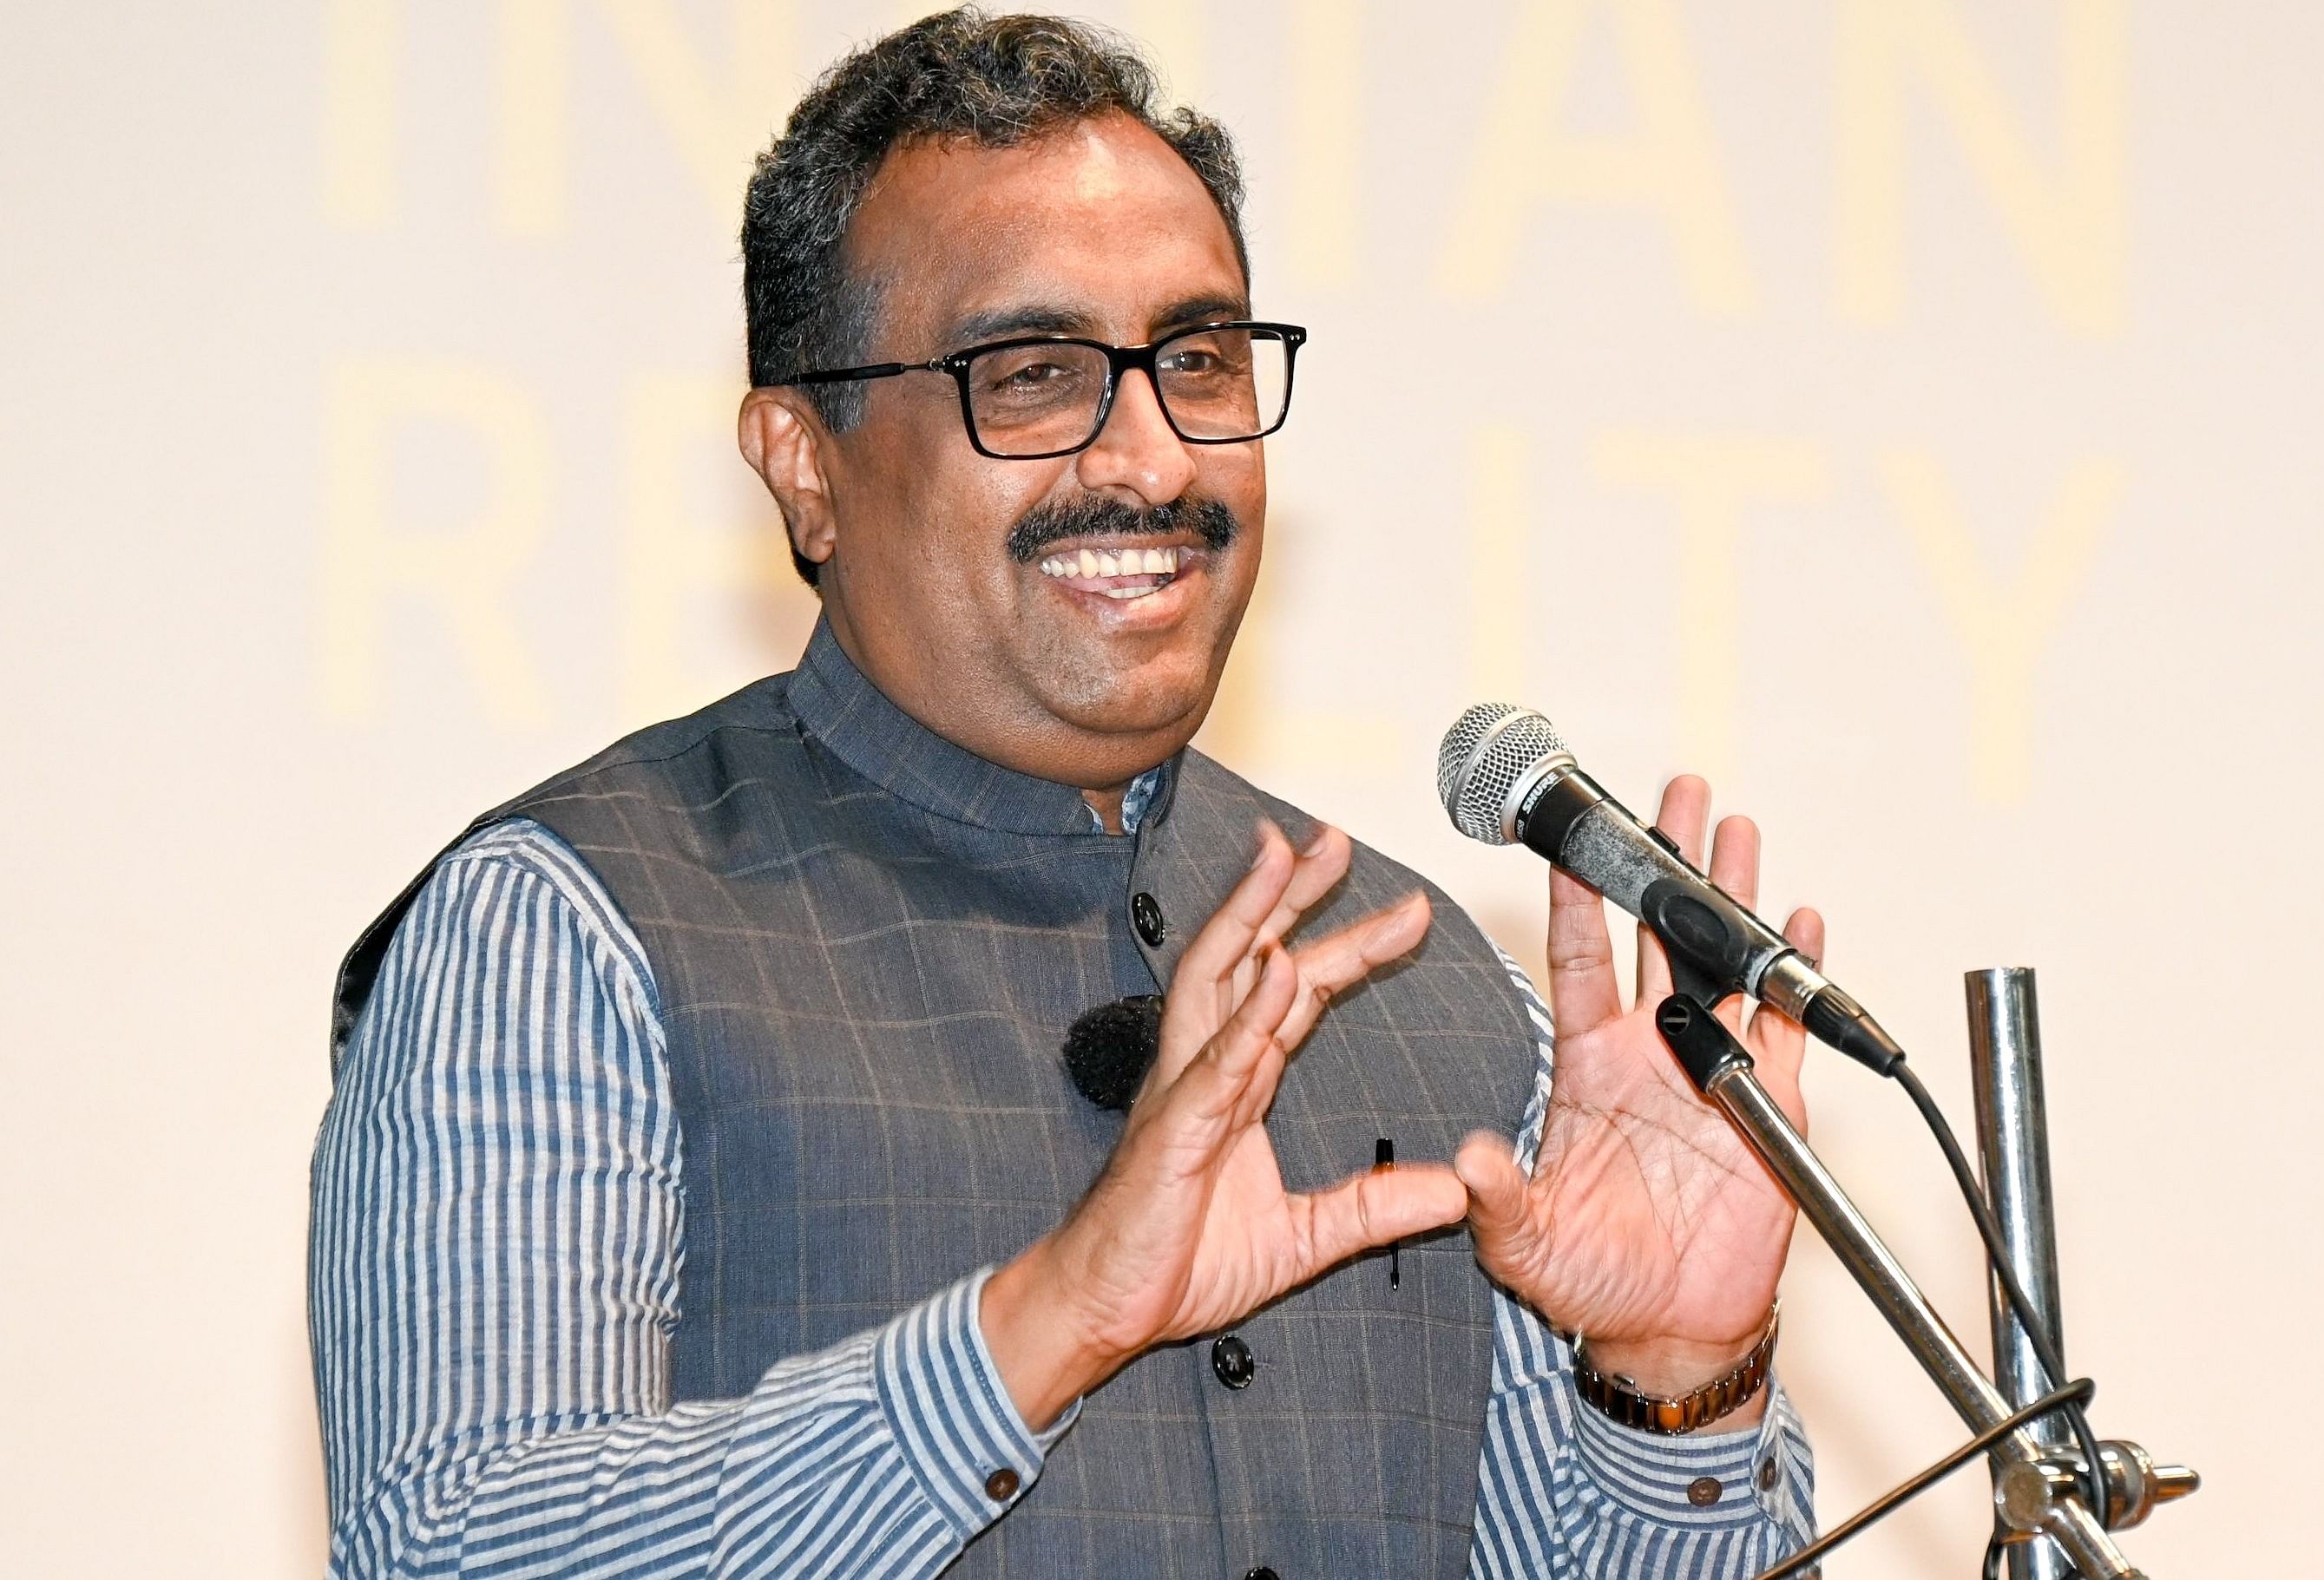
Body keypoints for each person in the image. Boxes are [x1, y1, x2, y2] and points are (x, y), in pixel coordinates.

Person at [310, 10, 1829, 1577]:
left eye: (1199, 358)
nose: (1153, 456)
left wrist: (1672, 1383)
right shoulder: (567, 925)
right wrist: (1051, 1316)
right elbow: (451, 1547)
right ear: (802, 462)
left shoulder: (1427, 971)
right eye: (1031, 375)